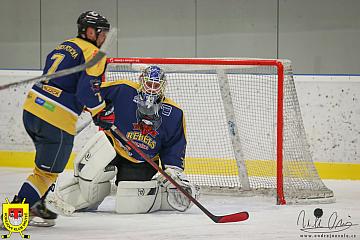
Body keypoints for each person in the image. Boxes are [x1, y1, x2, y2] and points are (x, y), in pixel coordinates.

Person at [46, 66, 199, 215]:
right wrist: (97, 110)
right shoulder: (123, 90)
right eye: (149, 84)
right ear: (141, 81)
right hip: (112, 145)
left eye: (156, 85)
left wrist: (173, 172)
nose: (152, 89)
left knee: (129, 207)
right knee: (88, 182)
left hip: (141, 161)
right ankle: (61, 198)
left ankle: (162, 194)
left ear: (162, 86)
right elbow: (91, 95)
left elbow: (174, 145)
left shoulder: (174, 113)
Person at [10, 10, 110, 227]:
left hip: (32, 109)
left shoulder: (65, 45)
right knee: (46, 174)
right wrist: (101, 112)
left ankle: (38, 206)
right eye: (101, 33)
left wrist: (80, 103)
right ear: (90, 31)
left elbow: (61, 82)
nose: (103, 38)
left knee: (48, 164)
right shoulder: (94, 54)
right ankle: (14, 214)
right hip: (55, 119)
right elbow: (87, 91)